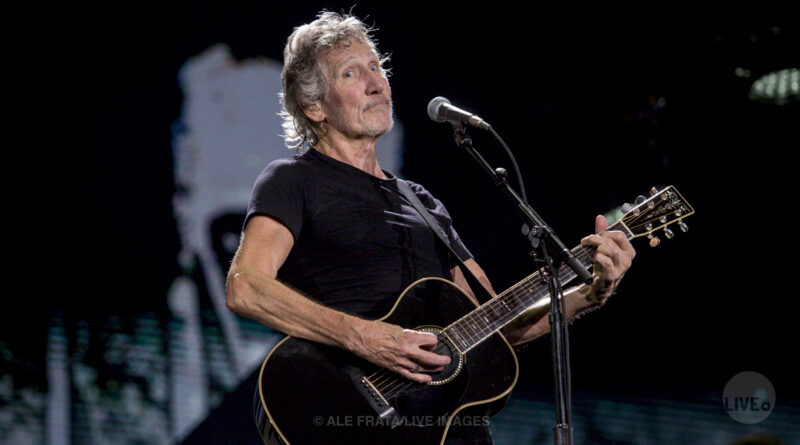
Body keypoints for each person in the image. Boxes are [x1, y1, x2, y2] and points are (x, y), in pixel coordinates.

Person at [225, 11, 635, 445]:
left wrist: (593, 292)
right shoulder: (293, 180)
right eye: (351, 73)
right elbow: (246, 286)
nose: (376, 83)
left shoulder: (422, 203)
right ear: (313, 105)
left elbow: (500, 327)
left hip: (451, 430)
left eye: (376, 67)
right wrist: (364, 337)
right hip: (341, 416)